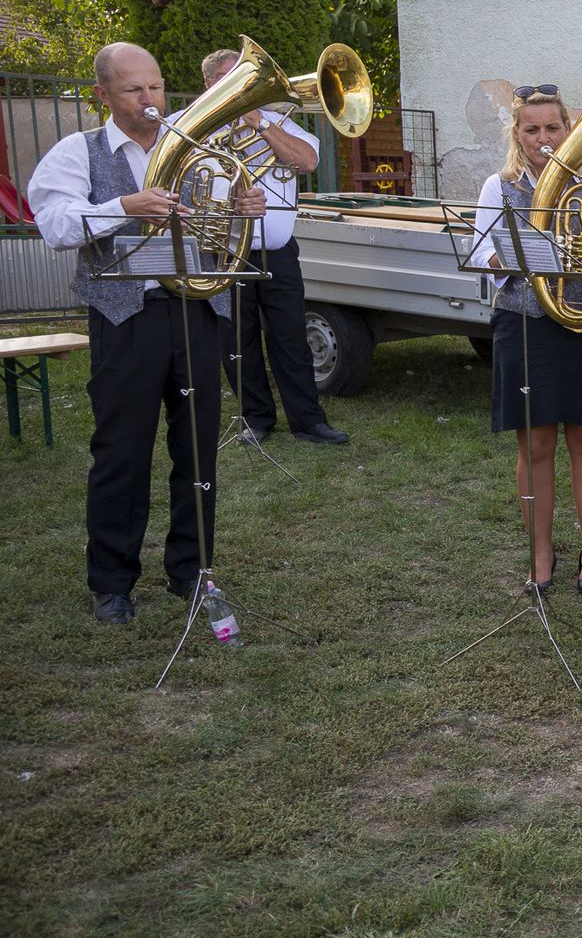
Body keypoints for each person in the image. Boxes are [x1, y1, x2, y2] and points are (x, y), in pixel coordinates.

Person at [27, 41, 260, 625]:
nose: (149, 99)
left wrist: (241, 206)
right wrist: (123, 204)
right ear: (102, 95)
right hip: (124, 316)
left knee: (199, 448)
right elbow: (53, 225)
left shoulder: (194, 147)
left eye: (155, 86)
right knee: (120, 451)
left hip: (198, 313)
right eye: (134, 89)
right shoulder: (77, 151)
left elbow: (219, 224)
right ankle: (112, 581)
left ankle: (193, 570)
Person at [467, 83, 582, 596]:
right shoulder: (500, 187)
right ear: (516, 133)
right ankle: (540, 551)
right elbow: (480, 257)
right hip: (527, 323)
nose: (543, 138)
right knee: (535, 443)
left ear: (569, 129)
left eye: (552, 128)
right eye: (531, 129)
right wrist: (514, 251)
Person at [198, 47, 347, 447]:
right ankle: (256, 417)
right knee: (237, 342)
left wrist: (259, 121)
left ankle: (308, 421)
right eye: (231, 80)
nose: (241, 89)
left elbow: (308, 160)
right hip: (226, 252)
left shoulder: (278, 121)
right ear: (211, 84)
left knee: (290, 338)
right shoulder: (194, 128)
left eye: (246, 81)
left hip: (278, 251)